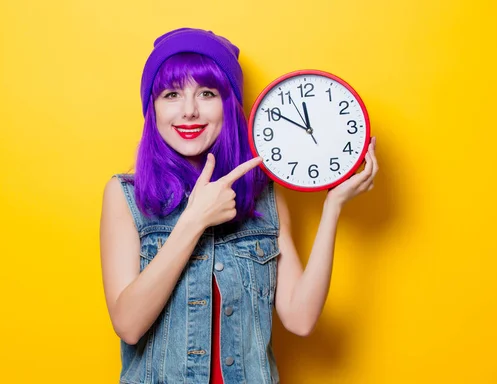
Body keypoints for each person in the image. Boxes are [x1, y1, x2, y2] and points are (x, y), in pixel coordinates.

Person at [100, 28, 378, 384]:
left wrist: (333, 207)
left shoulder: (264, 194)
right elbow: (128, 325)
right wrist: (194, 221)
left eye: (207, 93)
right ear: (152, 108)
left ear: (228, 104)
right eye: (172, 94)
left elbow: (301, 317)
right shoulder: (125, 196)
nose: (189, 111)